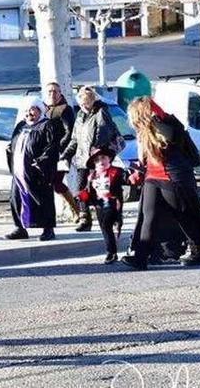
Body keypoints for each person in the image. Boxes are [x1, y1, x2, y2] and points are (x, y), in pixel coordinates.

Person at [121, 97, 200, 271]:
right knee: (149, 216)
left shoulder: (167, 124)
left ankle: (199, 251)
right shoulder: (144, 132)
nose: (133, 123)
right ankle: (141, 256)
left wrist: (152, 111)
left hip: (173, 176)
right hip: (153, 175)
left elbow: (170, 132)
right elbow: (142, 158)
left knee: (183, 214)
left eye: (135, 118)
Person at [61, 86, 122, 232]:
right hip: (82, 160)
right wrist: (66, 154)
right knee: (81, 189)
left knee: (103, 190)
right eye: (81, 103)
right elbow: (75, 139)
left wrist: (95, 150)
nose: (84, 105)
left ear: (93, 100)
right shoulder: (80, 116)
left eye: (87, 102)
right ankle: (85, 219)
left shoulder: (101, 113)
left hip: (97, 161)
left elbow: (103, 134)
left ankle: (111, 216)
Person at [5, 97, 58, 241]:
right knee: (16, 198)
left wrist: (41, 162)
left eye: (33, 110)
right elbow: (13, 142)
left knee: (42, 199)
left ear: (39, 110)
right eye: (27, 110)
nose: (30, 113)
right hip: (19, 171)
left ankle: (48, 229)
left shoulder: (47, 125)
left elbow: (52, 148)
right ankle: (20, 228)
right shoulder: (21, 126)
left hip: (37, 172)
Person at [79, 147, 125, 264]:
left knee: (106, 225)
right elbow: (88, 192)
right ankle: (112, 252)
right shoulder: (92, 176)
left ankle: (111, 252)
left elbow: (126, 180)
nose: (101, 161)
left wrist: (133, 176)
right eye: (97, 159)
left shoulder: (117, 171)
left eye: (103, 158)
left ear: (109, 159)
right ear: (94, 163)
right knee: (105, 229)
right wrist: (82, 196)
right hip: (99, 205)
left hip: (113, 203)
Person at [43, 82, 78, 222]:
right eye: (50, 91)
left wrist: (58, 148)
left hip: (61, 153)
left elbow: (69, 132)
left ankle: (76, 210)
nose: (52, 94)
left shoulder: (65, 109)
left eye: (55, 91)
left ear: (60, 93)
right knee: (50, 183)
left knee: (56, 182)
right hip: (46, 153)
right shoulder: (44, 108)